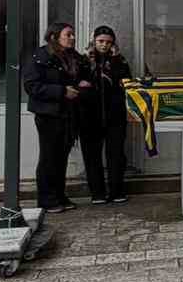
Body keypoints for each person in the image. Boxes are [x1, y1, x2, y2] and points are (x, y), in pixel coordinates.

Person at [22, 22, 83, 214]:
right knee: (49, 157)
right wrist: (62, 91)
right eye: (68, 35)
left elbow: (84, 70)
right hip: (49, 114)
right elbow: (32, 86)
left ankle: (59, 195)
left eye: (73, 35)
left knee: (61, 158)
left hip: (67, 114)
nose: (72, 38)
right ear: (54, 37)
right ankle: (47, 199)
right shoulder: (40, 57)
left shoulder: (71, 56)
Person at [79, 25, 132, 205]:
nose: (104, 45)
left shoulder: (119, 60)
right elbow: (78, 82)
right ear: (94, 41)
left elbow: (126, 82)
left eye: (108, 42)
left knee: (116, 155)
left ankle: (117, 191)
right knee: (92, 155)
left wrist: (116, 59)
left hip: (114, 116)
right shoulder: (83, 61)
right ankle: (97, 193)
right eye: (101, 41)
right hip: (89, 116)